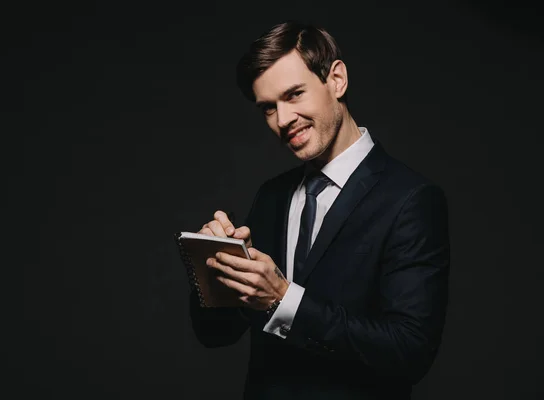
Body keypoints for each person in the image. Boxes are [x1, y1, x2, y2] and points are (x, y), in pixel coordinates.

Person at [189, 20, 450, 400]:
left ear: (337, 80)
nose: (282, 120)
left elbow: (410, 352)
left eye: (294, 94)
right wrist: (215, 269)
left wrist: (284, 299)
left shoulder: (411, 199)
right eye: (268, 108)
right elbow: (216, 336)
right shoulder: (272, 195)